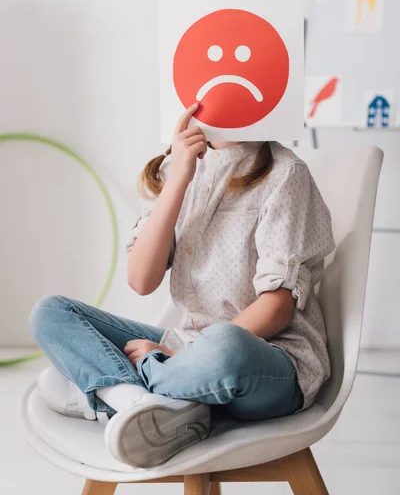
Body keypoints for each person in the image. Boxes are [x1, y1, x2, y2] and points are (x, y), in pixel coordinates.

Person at [29, 102, 335, 469]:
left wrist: (177, 356)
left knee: (225, 345)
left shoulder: (286, 174)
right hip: (187, 348)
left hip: (268, 360)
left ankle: (113, 390)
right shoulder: (179, 170)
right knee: (51, 312)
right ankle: (137, 402)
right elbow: (141, 280)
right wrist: (178, 177)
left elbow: (276, 308)